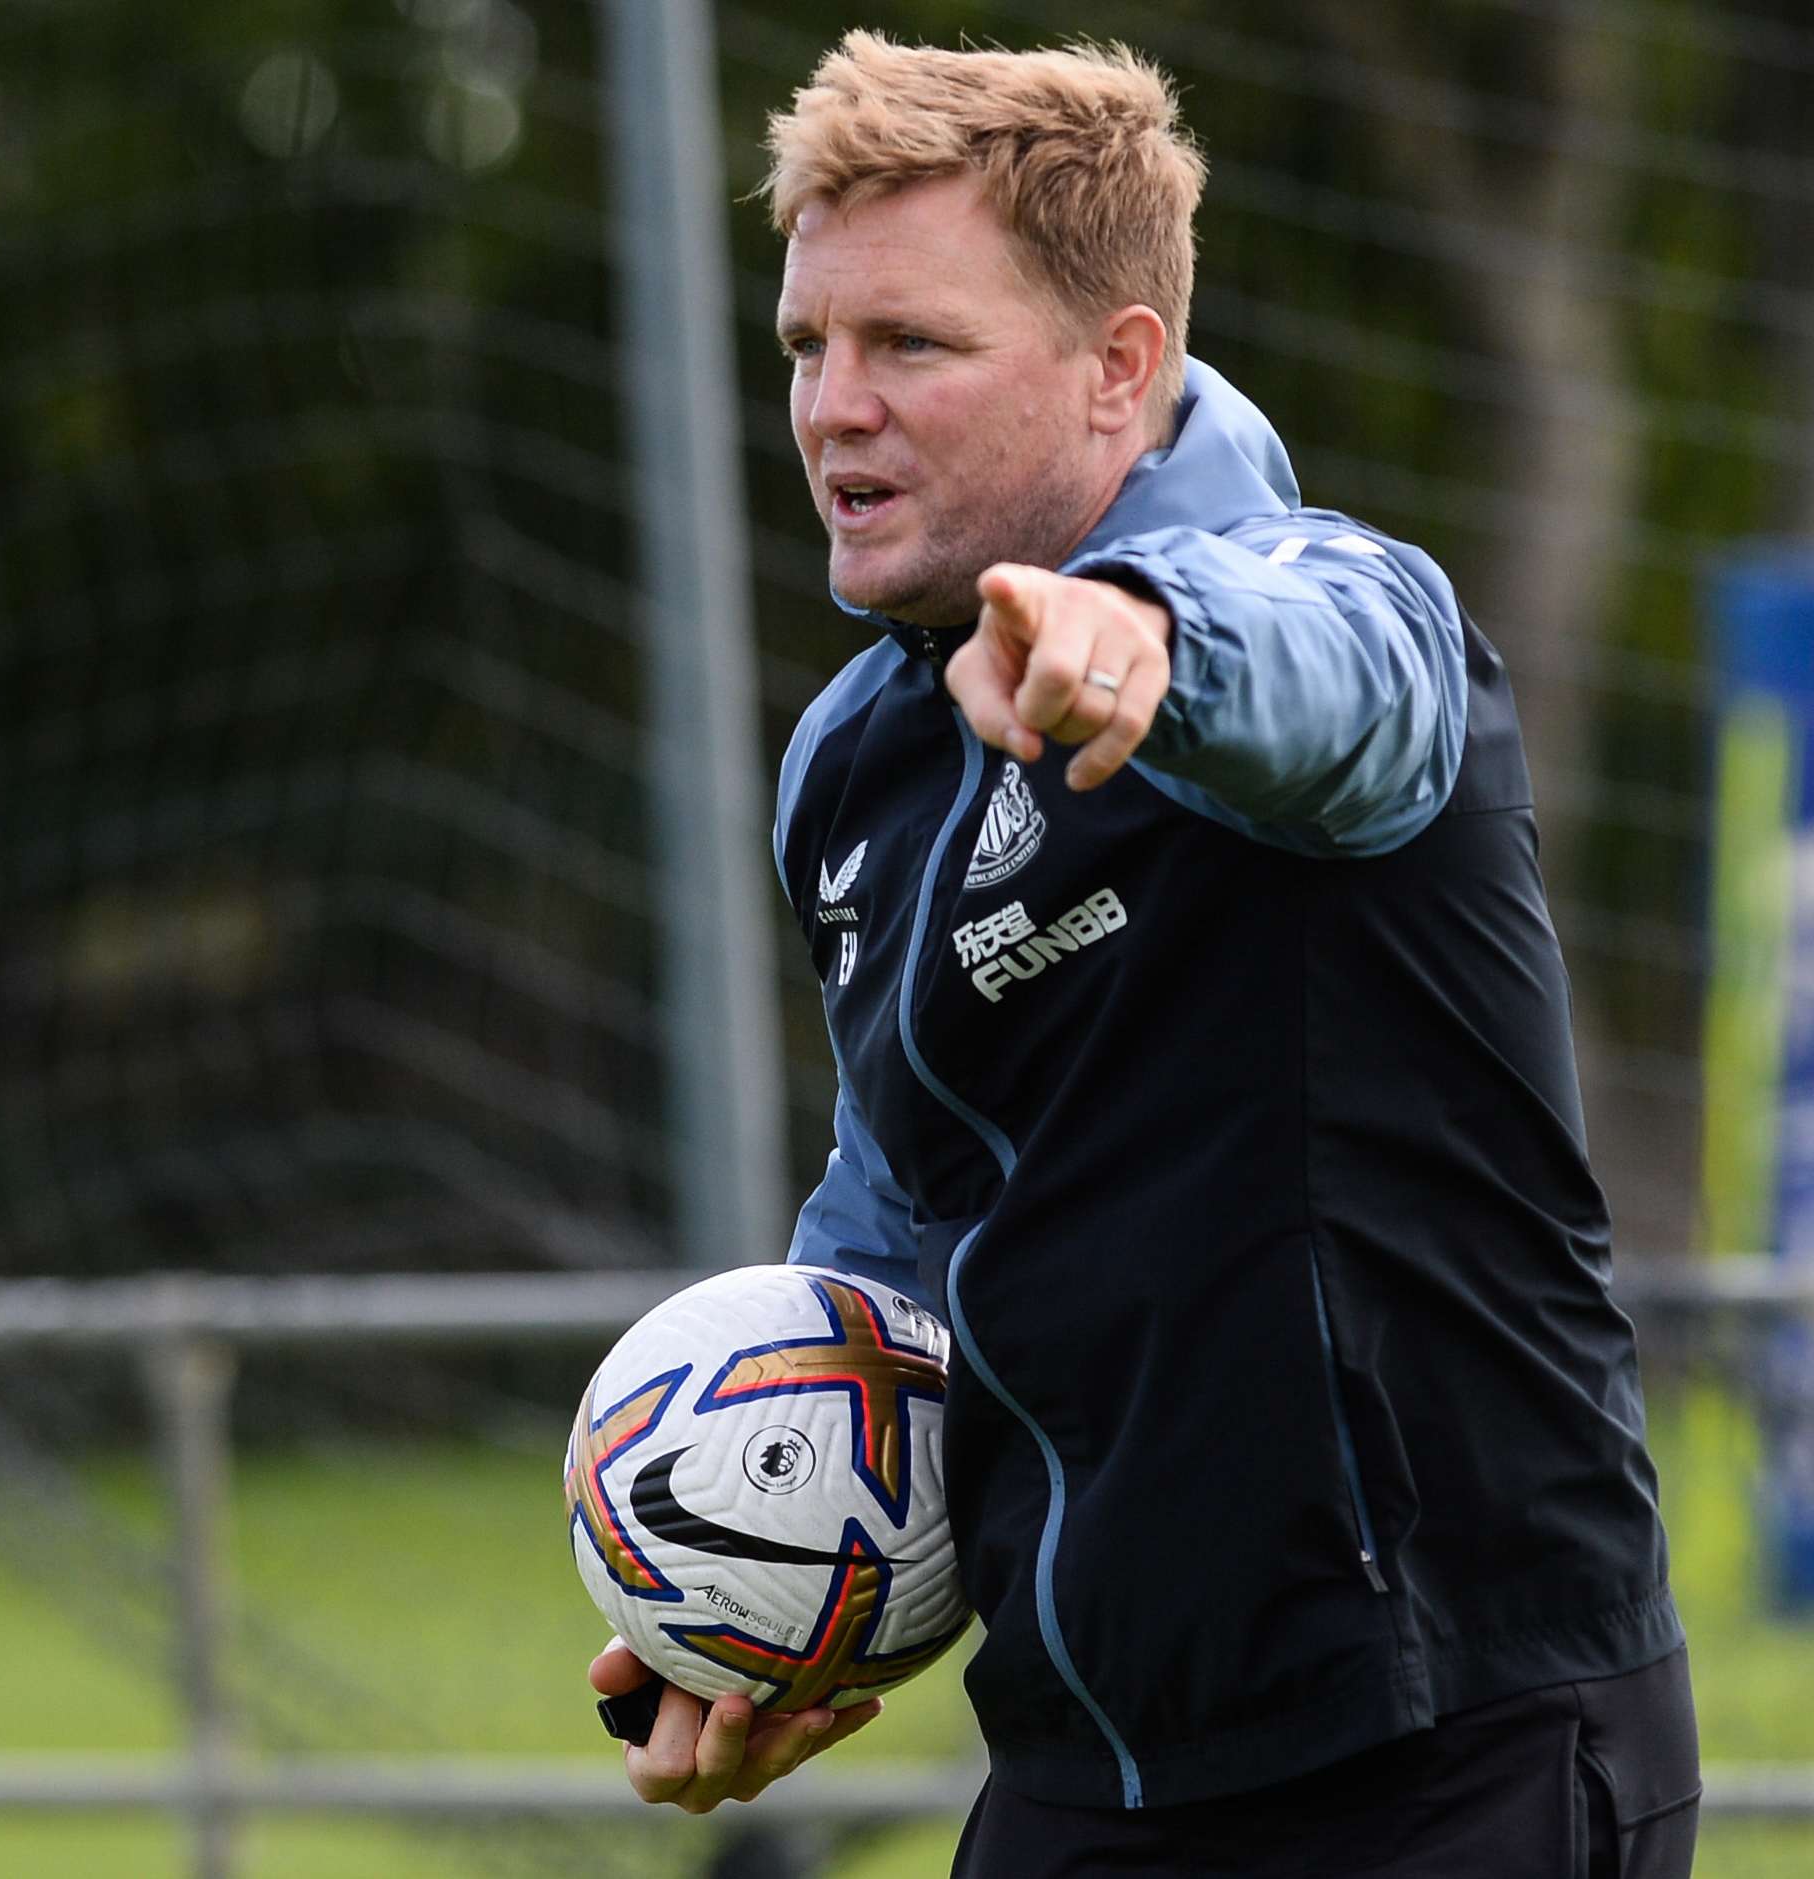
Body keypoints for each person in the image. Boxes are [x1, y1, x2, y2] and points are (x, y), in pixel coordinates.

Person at [583, 37, 1696, 1876]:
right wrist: (791, 1579)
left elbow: (1346, 686)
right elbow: (905, 1204)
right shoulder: (852, 760)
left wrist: (1146, 643)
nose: (834, 408)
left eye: (911, 344)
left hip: (1445, 1738)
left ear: (1121, 368)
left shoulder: (1340, 603)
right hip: (1084, 1760)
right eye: (807, 345)